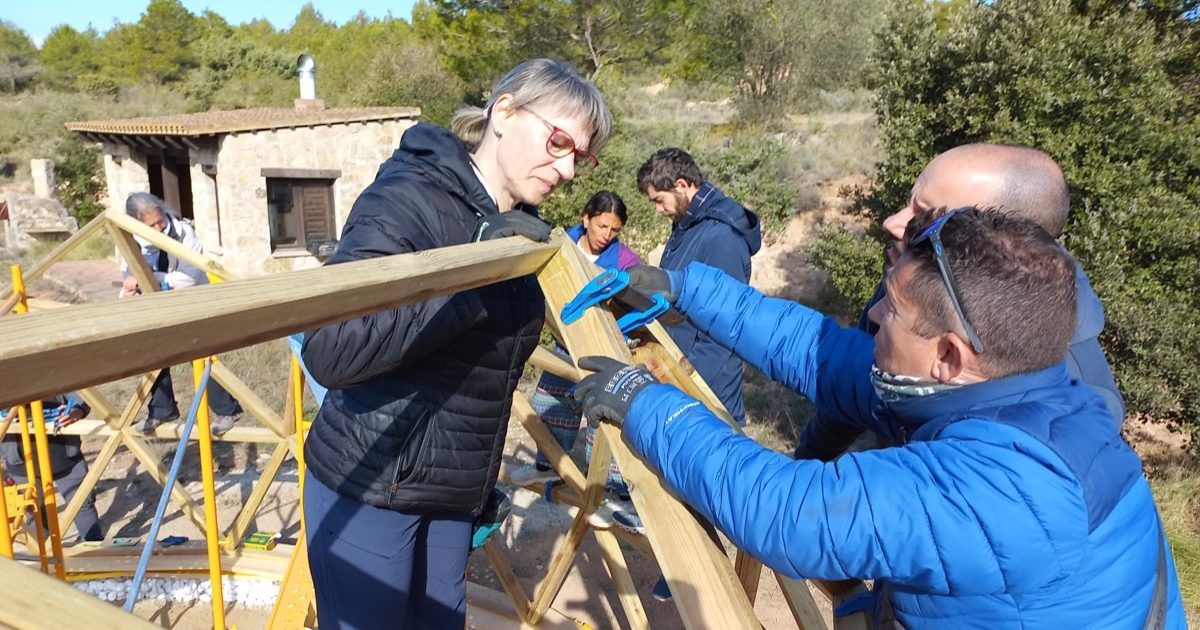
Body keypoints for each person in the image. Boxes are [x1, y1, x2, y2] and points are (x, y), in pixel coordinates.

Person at [576, 208, 1185, 628]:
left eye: (890, 311)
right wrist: (682, 289)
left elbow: (788, 513)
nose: (872, 317)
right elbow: (819, 353)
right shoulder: (1019, 395)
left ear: (948, 355)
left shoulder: (1007, 485)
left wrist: (644, 399)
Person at [299, 58, 611, 630]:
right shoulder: (406, 199)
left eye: (580, 157)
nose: (567, 168)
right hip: (370, 486)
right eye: (559, 141)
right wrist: (470, 279)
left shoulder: (517, 226)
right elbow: (330, 348)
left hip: (450, 497)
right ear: (505, 111)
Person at [797, 143, 1125, 462]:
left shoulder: (1080, 396)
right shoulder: (909, 291)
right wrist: (810, 458)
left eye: (926, 217)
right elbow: (860, 385)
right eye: (909, 204)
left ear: (1002, 241)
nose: (892, 222)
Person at [509, 190, 643, 530]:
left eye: (614, 230)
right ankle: (547, 465)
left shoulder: (624, 261)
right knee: (549, 403)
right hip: (564, 345)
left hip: (604, 352)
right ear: (586, 219)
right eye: (601, 226)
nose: (606, 235)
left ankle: (610, 494)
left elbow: (638, 303)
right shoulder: (561, 244)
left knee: (605, 424)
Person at [637, 148, 760, 426]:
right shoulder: (687, 225)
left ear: (681, 185)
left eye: (659, 200)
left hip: (706, 395)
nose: (658, 209)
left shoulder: (721, 238)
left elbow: (723, 330)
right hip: (680, 380)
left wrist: (683, 385)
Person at [120, 192, 244, 437]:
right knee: (154, 354)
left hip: (192, 301)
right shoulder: (128, 238)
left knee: (199, 354)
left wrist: (147, 277)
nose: (158, 228)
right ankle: (162, 409)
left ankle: (227, 410)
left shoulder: (184, 232)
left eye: (160, 221)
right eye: (151, 225)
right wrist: (131, 282)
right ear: (135, 223)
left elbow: (188, 278)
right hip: (157, 305)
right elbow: (127, 271)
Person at [1, 394, 104, 543]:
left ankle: (94, 546)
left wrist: (78, 410)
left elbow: (82, 395)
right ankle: (45, 556)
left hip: (65, 457)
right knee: (33, 510)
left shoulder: (51, 374)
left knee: (82, 503)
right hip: (21, 463)